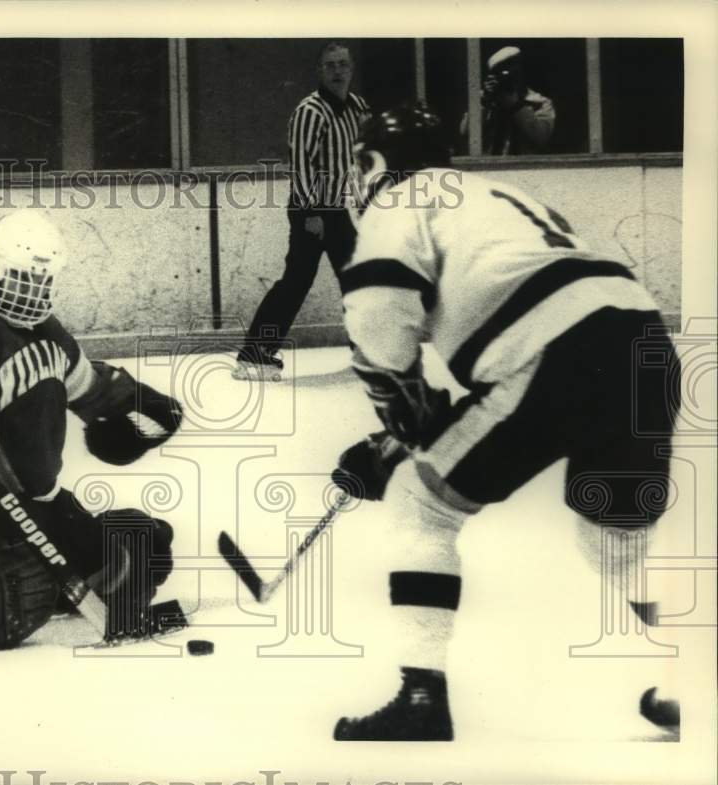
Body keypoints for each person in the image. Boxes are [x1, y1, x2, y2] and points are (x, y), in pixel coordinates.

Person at [330, 103, 679, 740]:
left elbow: (380, 309)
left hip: (553, 351)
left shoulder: (399, 198)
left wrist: (402, 417)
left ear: (374, 162)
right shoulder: (495, 191)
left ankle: (420, 701)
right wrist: (418, 422)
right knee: (614, 537)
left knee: (420, 504)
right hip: (642, 343)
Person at [0, 209, 182, 624]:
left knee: (146, 546)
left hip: (37, 500)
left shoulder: (49, 334)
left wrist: (145, 403)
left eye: (40, 281)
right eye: (18, 278)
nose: (29, 292)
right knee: (9, 598)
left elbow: (87, 383)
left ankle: (46, 588)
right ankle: (14, 589)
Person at [233, 41, 369, 380]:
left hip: (336, 209)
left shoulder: (358, 107)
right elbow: (301, 164)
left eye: (343, 64)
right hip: (311, 210)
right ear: (319, 71)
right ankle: (254, 355)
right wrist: (310, 212)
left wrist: (362, 199)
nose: (337, 71)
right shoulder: (310, 111)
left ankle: (368, 350)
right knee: (296, 282)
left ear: (352, 68)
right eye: (330, 65)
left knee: (357, 277)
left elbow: (356, 159)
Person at [459, 46, 556, 155]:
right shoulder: (484, 100)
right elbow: (466, 133)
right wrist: (485, 103)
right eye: (502, 74)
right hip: (488, 163)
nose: (508, 78)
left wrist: (516, 106)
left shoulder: (539, 102)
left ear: (522, 71)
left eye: (513, 72)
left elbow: (541, 138)